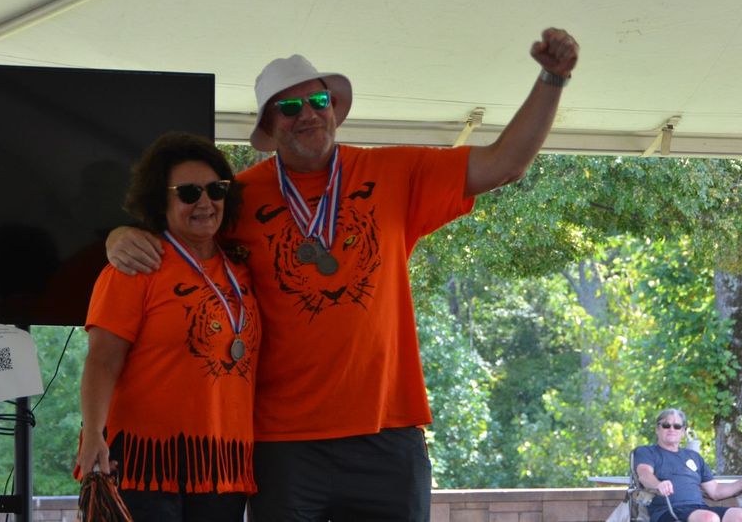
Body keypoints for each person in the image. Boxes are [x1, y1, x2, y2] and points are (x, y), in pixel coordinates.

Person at [106, 28, 578, 521]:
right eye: (290, 108)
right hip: (283, 443)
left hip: (387, 433)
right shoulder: (236, 196)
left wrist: (552, 79)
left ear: (333, 107)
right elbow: (179, 237)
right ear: (269, 125)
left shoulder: (395, 171)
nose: (308, 114)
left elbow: (504, 164)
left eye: (318, 101)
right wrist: (119, 236)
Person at [76, 132, 262, 521]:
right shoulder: (134, 267)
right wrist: (93, 433)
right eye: (189, 193)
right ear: (160, 201)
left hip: (222, 467)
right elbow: (103, 360)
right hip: (145, 467)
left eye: (216, 189)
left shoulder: (243, 268)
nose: (205, 202)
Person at [631, 408, 742, 522]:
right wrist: (658, 484)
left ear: (683, 431)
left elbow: (715, 491)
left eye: (677, 426)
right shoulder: (646, 452)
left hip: (700, 509)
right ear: (657, 429)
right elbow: (644, 474)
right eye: (666, 425)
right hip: (668, 511)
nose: (672, 429)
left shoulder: (694, 457)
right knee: (709, 518)